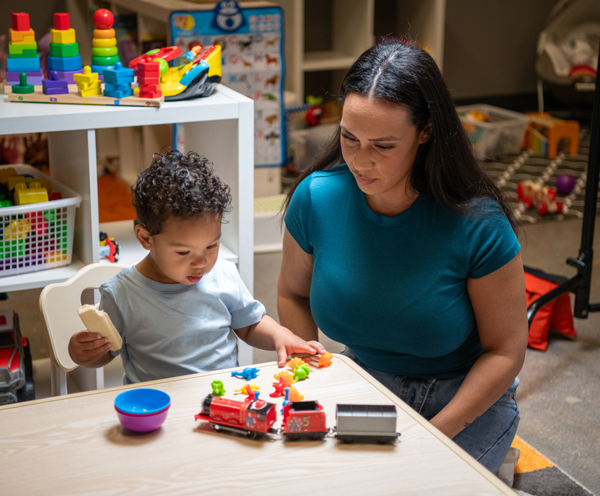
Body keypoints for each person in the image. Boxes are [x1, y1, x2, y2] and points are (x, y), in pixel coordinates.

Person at [278, 39, 528, 474]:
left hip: (461, 395)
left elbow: (506, 351)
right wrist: (309, 375)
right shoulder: (317, 197)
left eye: (384, 145)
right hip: (362, 380)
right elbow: (293, 295)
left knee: (408, 482)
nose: (360, 160)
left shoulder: (477, 221)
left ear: (426, 132)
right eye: (349, 138)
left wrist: (432, 434)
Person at [69, 150, 325, 384]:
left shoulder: (223, 274)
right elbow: (106, 353)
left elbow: (249, 325)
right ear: (146, 239)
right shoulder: (120, 294)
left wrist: (281, 335)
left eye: (211, 246)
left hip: (222, 399)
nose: (201, 263)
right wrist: (84, 353)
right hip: (158, 408)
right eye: (183, 252)